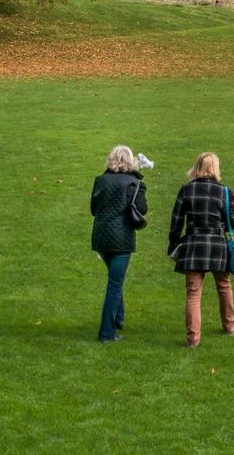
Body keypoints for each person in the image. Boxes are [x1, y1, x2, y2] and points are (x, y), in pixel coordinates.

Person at [168, 152, 234, 347]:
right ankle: (229, 325)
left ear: (197, 166)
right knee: (224, 286)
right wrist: (220, 228)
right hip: (217, 244)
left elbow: (176, 221)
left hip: (193, 244)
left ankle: (193, 338)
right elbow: (233, 221)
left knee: (193, 293)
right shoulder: (225, 191)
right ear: (216, 168)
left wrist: (174, 242)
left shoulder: (186, 190)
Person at [90, 145, 148, 342]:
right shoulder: (134, 183)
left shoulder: (101, 181)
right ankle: (106, 332)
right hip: (121, 238)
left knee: (115, 278)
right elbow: (142, 209)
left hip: (100, 236)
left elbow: (93, 208)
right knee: (114, 284)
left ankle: (119, 318)